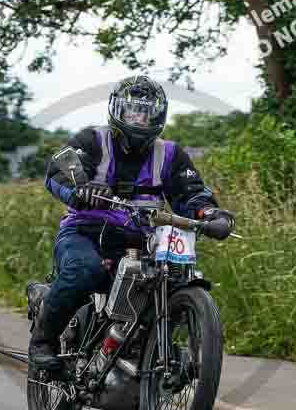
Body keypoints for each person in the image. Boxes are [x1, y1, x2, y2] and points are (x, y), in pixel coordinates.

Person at [29, 75, 236, 370]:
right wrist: (82, 189)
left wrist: (210, 214)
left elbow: (191, 193)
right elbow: (58, 170)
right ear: (117, 110)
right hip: (86, 234)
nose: (139, 118)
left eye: (146, 111)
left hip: (142, 243)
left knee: (167, 281)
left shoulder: (170, 155)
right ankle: (43, 341)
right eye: (132, 110)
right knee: (83, 270)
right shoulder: (93, 140)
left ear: (159, 115)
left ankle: (146, 349)